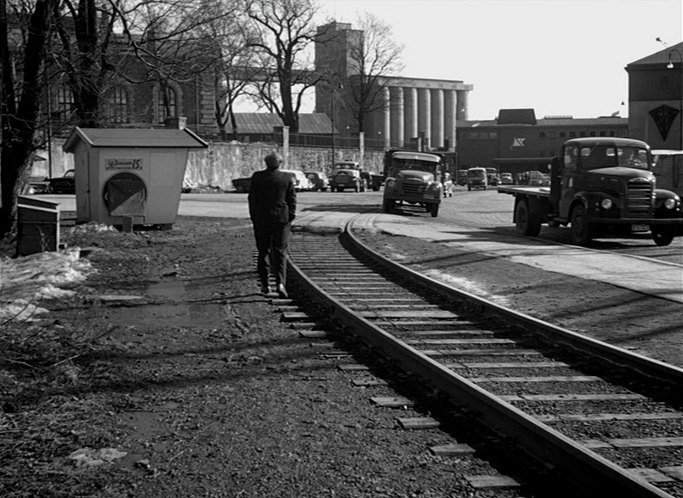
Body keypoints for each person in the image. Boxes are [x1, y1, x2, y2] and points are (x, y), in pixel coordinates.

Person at [248, 152, 297, 298]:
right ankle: (281, 283)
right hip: (281, 219)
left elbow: (252, 198)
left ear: (266, 163)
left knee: (263, 251)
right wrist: (290, 217)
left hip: (262, 219)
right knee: (280, 251)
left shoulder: (257, 177)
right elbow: (292, 199)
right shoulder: (286, 178)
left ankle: (265, 284)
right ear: (280, 163)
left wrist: (254, 217)